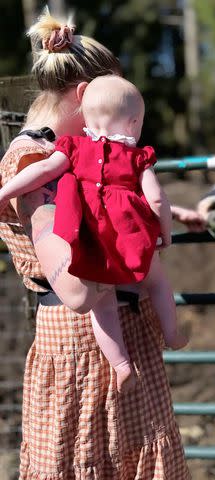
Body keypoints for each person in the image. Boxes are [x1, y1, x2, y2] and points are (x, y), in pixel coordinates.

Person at [0, 8, 193, 479]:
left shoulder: (75, 157)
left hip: (119, 335)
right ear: (86, 95)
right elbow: (74, 283)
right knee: (92, 462)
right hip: (84, 343)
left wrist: (168, 214)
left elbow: (108, 198)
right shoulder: (32, 162)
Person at [0, 74, 188, 392]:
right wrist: (165, 234)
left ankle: (120, 364)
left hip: (92, 244)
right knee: (157, 282)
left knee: (103, 306)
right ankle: (172, 333)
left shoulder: (73, 148)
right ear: (133, 123)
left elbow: (41, 172)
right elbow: (156, 199)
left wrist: (5, 194)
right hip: (129, 240)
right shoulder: (139, 158)